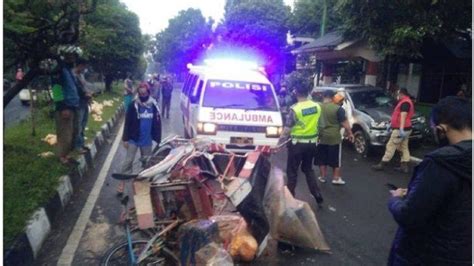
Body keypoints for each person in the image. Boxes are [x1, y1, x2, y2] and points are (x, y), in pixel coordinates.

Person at [387, 96, 471, 265]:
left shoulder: (441, 162)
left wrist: (395, 199)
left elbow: (409, 216)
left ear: (441, 129)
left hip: (424, 255)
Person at [278, 85, 324, 207]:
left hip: (297, 145)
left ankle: (290, 199)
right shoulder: (317, 106)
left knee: (292, 171)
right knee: (308, 169)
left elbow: (288, 128)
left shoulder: (295, 109)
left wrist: (278, 143)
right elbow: (321, 125)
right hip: (312, 144)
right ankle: (317, 195)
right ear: (308, 93)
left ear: (296, 94)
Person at [119, 83, 162, 193]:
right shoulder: (133, 105)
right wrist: (125, 138)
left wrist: (158, 139)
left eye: (145, 93)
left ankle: (144, 184)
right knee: (128, 161)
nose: (143, 95)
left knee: (146, 163)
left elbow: (157, 122)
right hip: (133, 138)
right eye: (140, 93)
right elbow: (127, 122)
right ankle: (122, 183)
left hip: (146, 140)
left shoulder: (154, 105)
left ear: (148, 92)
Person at [315, 91, 354, 185]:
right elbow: (344, 123)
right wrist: (350, 133)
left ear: (323, 97)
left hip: (320, 137)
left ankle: (322, 177)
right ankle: (336, 178)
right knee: (335, 159)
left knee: (321, 158)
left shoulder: (317, 107)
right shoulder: (338, 109)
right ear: (333, 97)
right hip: (334, 138)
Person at [372, 88, 414, 173]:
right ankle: (404, 166)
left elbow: (403, 116)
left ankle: (382, 164)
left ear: (402, 94)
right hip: (407, 128)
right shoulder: (406, 101)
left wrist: (401, 128)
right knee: (403, 147)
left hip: (400, 129)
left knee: (390, 146)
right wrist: (391, 124)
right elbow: (397, 115)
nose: (397, 96)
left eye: (398, 94)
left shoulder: (405, 103)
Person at [53, 45, 83, 165]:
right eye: (69, 56)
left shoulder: (69, 70)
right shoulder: (59, 69)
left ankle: (67, 155)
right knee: (65, 134)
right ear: (64, 56)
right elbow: (56, 89)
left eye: (73, 57)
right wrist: (62, 107)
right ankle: (62, 157)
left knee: (73, 133)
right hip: (65, 107)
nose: (72, 59)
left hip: (73, 106)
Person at [73, 58, 92, 154]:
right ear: (79, 65)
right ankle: (78, 146)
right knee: (79, 125)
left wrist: (89, 94)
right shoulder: (74, 76)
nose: (85, 68)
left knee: (83, 124)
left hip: (84, 102)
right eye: (84, 66)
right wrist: (85, 94)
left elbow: (85, 86)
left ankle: (81, 143)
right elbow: (78, 89)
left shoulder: (81, 75)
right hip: (79, 103)